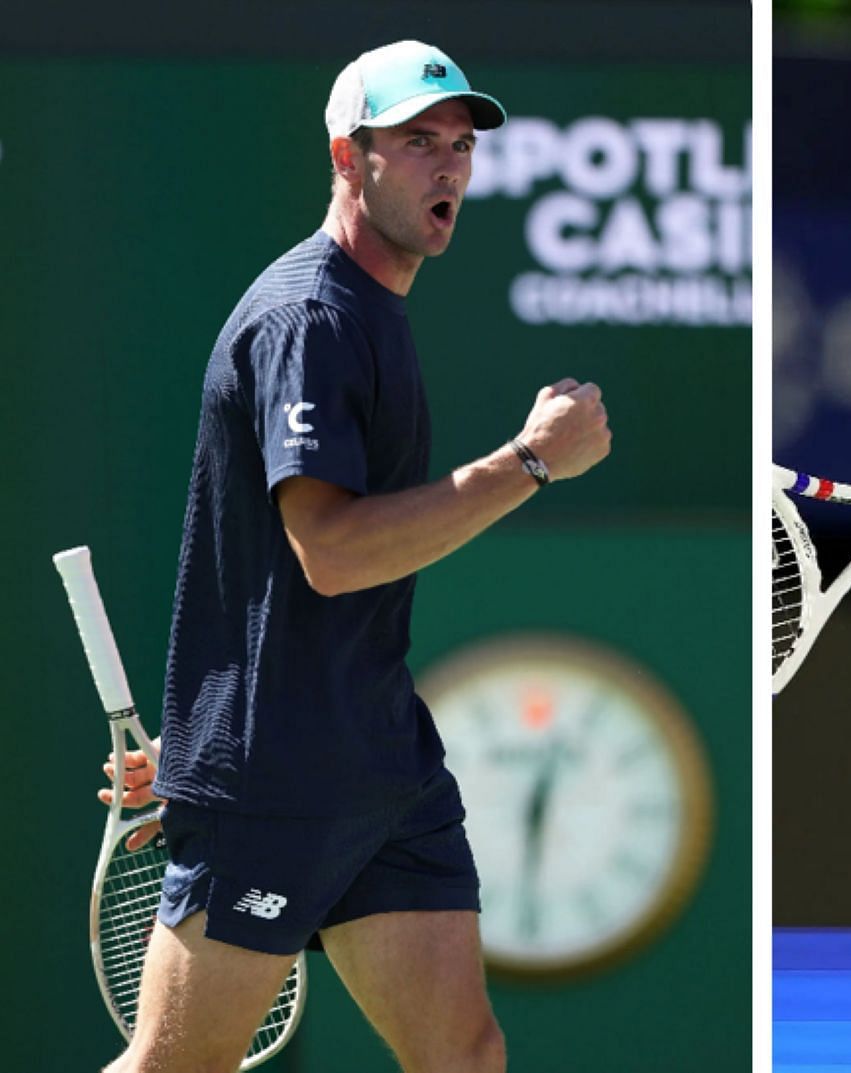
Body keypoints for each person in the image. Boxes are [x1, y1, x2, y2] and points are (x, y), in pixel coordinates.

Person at [95, 40, 611, 1073]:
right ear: (349, 155)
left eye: (460, 144)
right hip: (279, 774)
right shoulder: (309, 317)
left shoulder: (373, 306)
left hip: (382, 762)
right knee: (176, 1062)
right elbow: (327, 552)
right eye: (417, 141)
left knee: (463, 1051)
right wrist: (531, 464)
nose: (449, 166)